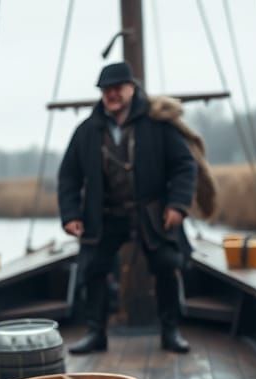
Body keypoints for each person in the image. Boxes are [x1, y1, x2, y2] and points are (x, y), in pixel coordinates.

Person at [58, 61, 197, 354]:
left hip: (153, 212)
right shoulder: (87, 131)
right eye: (106, 90)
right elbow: (69, 175)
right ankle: (96, 334)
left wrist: (178, 205)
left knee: (167, 264)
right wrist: (71, 215)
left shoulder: (157, 124)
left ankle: (170, 332)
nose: (112, 95)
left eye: (117, 88)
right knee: (92, 267)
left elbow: (185, 166)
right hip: (105, 214)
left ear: (131, 88)